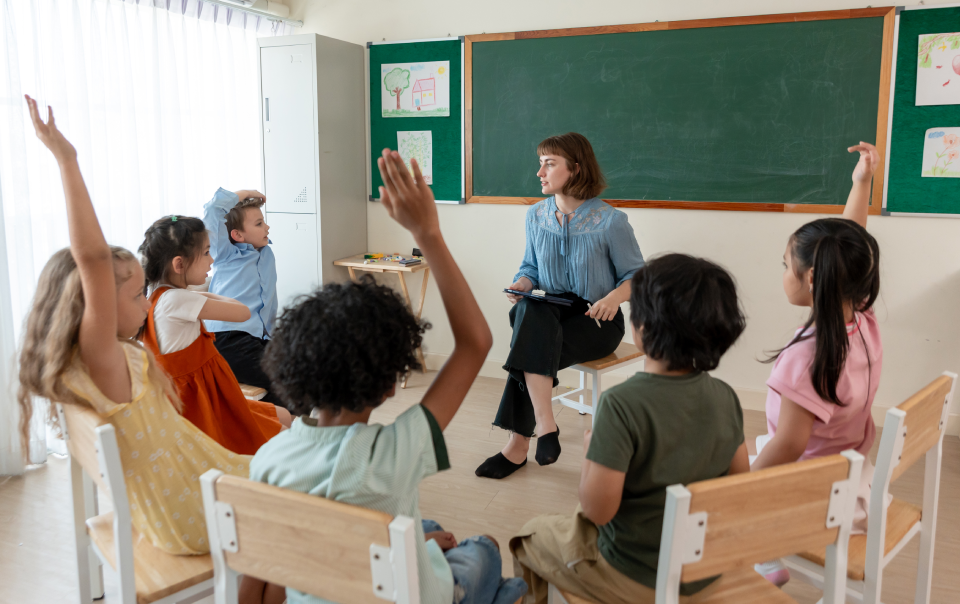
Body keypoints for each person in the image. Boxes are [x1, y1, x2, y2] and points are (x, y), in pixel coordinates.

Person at [243, 149, 527, 604]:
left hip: (339, 576)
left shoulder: (269, 459)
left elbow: (256, 588)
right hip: (407, 594)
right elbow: (476, 343)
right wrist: (426, 232)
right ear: (391, 384)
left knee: (426, 531)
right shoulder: (394, 456)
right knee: (487, 552)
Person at [16, 95, 252, 555]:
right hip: (193, 508)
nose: (148, 303)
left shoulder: (96, 365)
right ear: (93, 307)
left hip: (185, 492)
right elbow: (93, 257)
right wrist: (68, 160)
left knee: (298, 469)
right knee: (311, 483)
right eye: (136, 294)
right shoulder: (104, 362)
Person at [510, 253, 750, 604]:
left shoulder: (621, 405)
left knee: (528, 536)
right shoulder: (725, 398)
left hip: (631, 574)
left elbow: (596, 511)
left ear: (642, 326)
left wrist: (593, 453)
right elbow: (737, 485)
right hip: (701, 569)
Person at [751, 142, 883, 587]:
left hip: (815, 490)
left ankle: (762, 556)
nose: (783, 273)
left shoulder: (807, 358)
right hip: (850, 469)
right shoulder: (860, 319)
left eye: (786, 265)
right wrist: (860, 183)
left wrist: (733, 493)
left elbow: (786, 447)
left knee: (718, 472)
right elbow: (850, 244)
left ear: (812, 278)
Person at [476, 132, 645, 480]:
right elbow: (530, 269)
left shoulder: (611, 222)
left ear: (576, 169)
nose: (540, 172)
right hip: (548, 310)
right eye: (540, 163)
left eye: (549, 164)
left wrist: (613, 298)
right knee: (529, 311)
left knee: (529, 340)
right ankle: (545, 425)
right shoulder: (536, 216)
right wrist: (522, 283)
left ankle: (519, 444)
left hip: (597, 319)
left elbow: (638, 277)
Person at [202, 190, 286, 406]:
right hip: (227, 338)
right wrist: (246, 194)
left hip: (259, 339)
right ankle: (279, 428)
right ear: (237, 235)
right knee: (287, 382)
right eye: (259, 224)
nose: (266, 228)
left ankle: (275, 426)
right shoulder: (226, 255)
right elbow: (213, 211)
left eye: (263, 222)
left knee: (300, 373)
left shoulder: (265, 253)